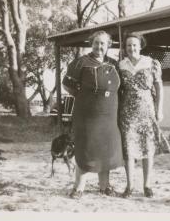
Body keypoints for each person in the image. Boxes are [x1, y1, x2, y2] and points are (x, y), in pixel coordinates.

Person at [62, 30, 123, 199]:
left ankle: (104, 187)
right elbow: (67, 85)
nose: (99, 46)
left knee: (106, 149)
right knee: (86, 148)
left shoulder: (114, 63)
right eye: (96, 43)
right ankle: (79, 188)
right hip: (87, 115)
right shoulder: (80, 63)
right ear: (91, 43)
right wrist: (85, 98)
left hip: (109, 115)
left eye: (103, 43)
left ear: (108, 45)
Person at [118, 32, 164, 198]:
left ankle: (147, 185)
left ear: (140, 46)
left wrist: (159, 109)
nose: (131, 48)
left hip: (147, 109)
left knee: (147, 148)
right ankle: (130, 186)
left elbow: (159, 87)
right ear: (125, 47)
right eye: (128, 45)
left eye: (134, 45)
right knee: (128, 149)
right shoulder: (121, 65)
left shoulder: (151, 63)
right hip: (127, 111)